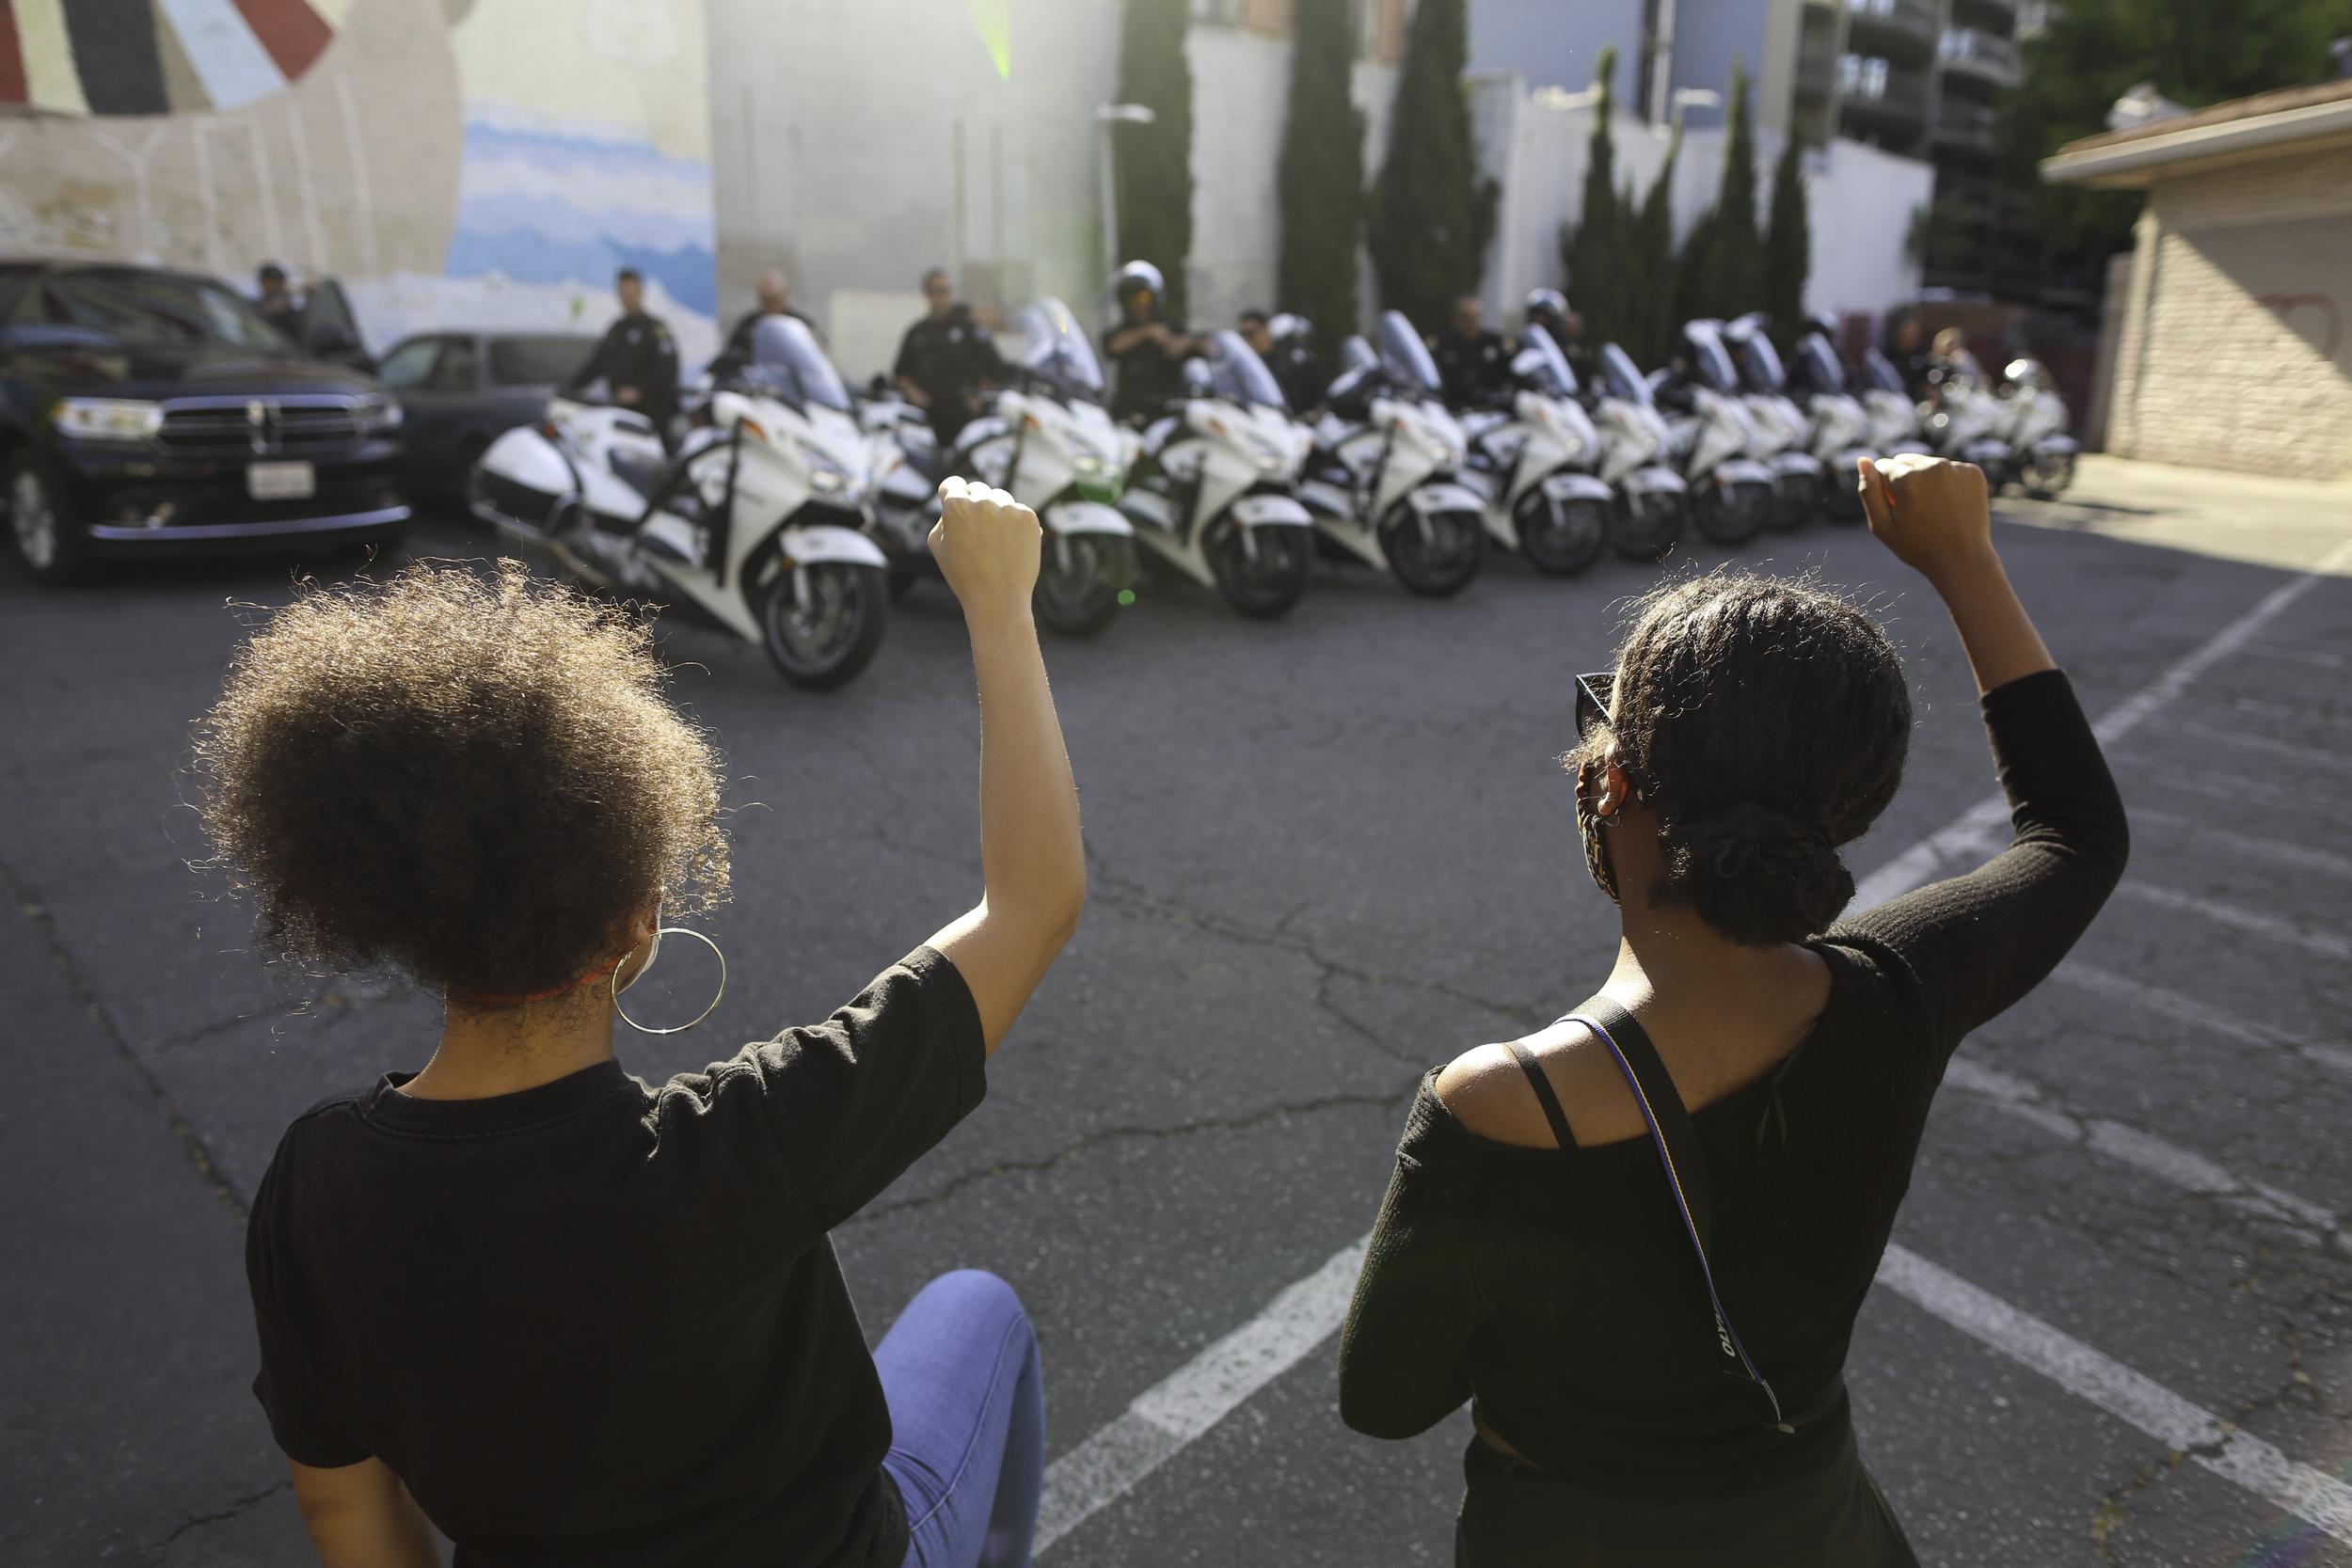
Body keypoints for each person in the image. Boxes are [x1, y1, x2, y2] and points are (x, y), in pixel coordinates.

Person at [199, 479, 1084, 1567]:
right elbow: (1034, 902)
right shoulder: (741, 1147)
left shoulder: (311, 1183)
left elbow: (345, 1510)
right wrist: (1001, 606)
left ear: (397, 913)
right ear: (637, 925)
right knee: (978, 1306)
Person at [1339, 454, 2126, 1566]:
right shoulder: (1898, 991)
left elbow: (1384, 1395)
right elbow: (2074, 834)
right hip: (1817, 1524)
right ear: (1848, 800)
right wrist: (1962, 558)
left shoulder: (1504, 1101)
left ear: (1612, 783)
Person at [895, 269, 1008, 446]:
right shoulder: (918, 332)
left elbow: (997, 368)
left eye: (946, 290)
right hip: (928, 414)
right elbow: (901, 373)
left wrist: (978, 396)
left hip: (962, 412)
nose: (943, 295)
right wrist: (913, 392)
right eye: (937, 290)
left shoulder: (968, 329)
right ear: (928, 294)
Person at [569, 267, 680, 431]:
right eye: (622, 291)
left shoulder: (655, 329)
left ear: (640, 292)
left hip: (653, 415)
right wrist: (569, 389)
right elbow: (596, 364)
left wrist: (639, 391)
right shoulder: (617, 330)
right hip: (621, 414)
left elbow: (669, 369)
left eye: (630, 291)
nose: (626, 297)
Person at [1104, 260, 1199, 423]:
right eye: (1132, 300)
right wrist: (1147, 332)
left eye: (1144, 297)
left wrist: (1186, 342)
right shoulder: (1124, 331)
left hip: (1166, 415)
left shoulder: (1173, 327)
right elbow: (1113, 347)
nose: (1139, 305)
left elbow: (1192, 347)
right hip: (1129, 414)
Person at [1433, 293, 1510, 409]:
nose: (1470, 322)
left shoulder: (1496, 343)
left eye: (1474, 317)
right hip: (1452, 408)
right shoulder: (1442, 345)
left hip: (1491, 409)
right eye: (1465, 317)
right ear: (1456, 319)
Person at [1242, 309, 1326, 416]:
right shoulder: (1251, 363)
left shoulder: (1291, 358)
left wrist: (1318, 410)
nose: (1248, 339)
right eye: (1244, 334)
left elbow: (1320, 386)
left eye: (1251, 333)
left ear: (1266, 329)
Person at [1522, 289, 1593, 387]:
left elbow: (1583, 380)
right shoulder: (1521, 344)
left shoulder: (1569, 348)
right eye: (1536, 314)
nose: (1540, 319)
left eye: (1545, 316)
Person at [1884, 310, 1933, 403]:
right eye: (1907, 330)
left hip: (1917, 403)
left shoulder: (1921, 356)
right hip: (1894, 401)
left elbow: (1928, 380)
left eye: (1914, 330)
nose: (1911, 333)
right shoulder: (1887, 356)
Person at [255, 262, 300, 339]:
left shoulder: (291, 313)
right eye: (271, 281)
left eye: (278, 282)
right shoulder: (255, 309)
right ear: (263, 283)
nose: (276, 285)